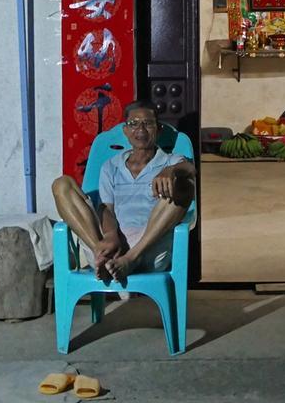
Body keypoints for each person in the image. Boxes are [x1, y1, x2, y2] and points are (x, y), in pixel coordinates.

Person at [52, 100, 195, 282]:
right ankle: (102, 256)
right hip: (109, 244)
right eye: (133, 123)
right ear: (125, 131)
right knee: (61, 184)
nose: (141, 129)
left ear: (158, 130)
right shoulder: (111, 166)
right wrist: (110, 236)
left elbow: (190, 169)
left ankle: (129, 260)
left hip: (149, 247)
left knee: (184, 185)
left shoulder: (170, 160)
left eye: (148, 123)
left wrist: (171, 171)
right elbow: (106, 208)